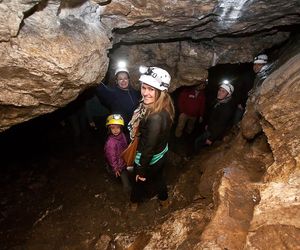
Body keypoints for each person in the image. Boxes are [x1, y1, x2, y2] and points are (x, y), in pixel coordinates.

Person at [128, 66, 175, 211]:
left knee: (137, 182)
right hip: (161, 154)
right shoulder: (166, 105)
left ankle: (134, 203)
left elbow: (149, 146)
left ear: (160, 92)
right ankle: (164, 201)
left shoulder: (155, 117)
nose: (145, 93)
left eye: (151, 89)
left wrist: (141, 171)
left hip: (148, 158)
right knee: (159, 178)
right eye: (144, 87)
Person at [96, 62, 141, 131]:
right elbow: (100, 88)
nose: (123, 81)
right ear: (116, 81)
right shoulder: (112, 93)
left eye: (125, 78)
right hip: (121, 129)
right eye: (120, 79)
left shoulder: (134, 92)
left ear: (129, 80)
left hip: (135, 127)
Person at [194, 81, 236, 152]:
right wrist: (208, 124)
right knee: (199, 143)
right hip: (210, 128)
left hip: (213, 132)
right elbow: (214, 116)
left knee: (198, 142)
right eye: (220, 90)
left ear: (228, 95)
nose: (219, 92)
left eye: (223, 91)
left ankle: (194, 157)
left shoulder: (226, 108)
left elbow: (221, 125)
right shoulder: (219, 102)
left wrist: (211, 138)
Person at [104, 114, 131, 194]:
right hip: (119, 166)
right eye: (113, 128)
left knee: (128, 174)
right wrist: (115, 168)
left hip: (124, 161)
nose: (115, 130)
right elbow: (111, 157)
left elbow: (126, 146)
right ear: (109, 129)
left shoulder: (122, 135)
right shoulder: (110, 143)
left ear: (121, 128)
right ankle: (129, 196)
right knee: (126, 182)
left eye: (118, 127)